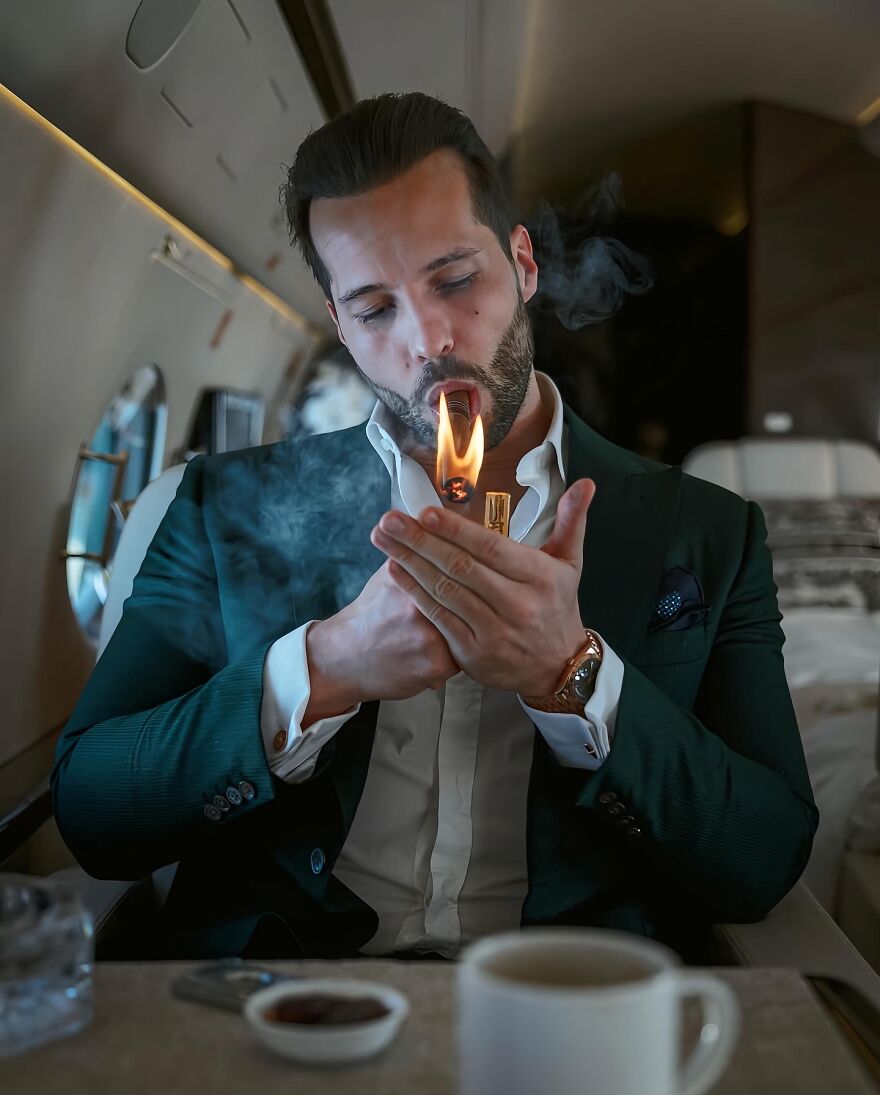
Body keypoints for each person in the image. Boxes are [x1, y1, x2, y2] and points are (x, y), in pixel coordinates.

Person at [52, 93, 817, 960]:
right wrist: (324, 668)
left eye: (456, 280)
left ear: (523, 263)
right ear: (339, 324)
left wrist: (573, 677)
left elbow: (764, 857)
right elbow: (90, 811)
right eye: (377, 309)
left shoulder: (707, 531)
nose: (431, 339)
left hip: (571, 997)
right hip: (285, 996)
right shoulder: (224, 505)